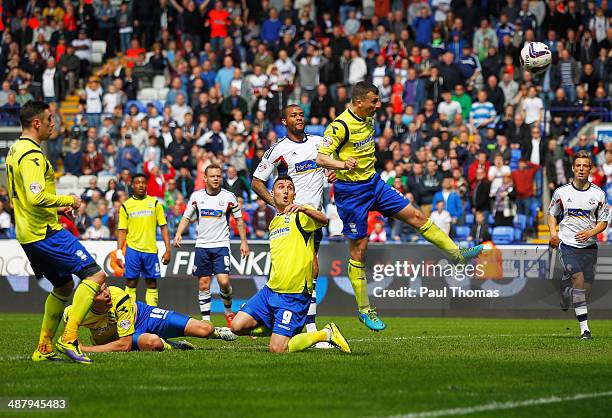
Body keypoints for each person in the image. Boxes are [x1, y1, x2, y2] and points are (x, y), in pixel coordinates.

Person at [316, 82, 482, 331]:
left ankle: (456, 255)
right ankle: (364, 310)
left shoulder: (368, 119)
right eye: (374, 101)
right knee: (359, 250)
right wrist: (339, 166)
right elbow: (321, 157)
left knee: (415, 215)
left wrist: (343, 164)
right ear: (359, 102)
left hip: (374, 183)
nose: (378, 105)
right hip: (351, 194)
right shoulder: (340, 126)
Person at [8, 102, 106, 364]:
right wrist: (70, 200)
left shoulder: (14, 150)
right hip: (44, 233)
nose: (54, 123)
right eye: (50, 119)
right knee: (95, 275)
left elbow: (19, 198)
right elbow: (36, 195)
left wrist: (58, 210)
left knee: (63, 287)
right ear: (37, 123)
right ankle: (70, 338)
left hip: (29, 231)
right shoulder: (32, 155)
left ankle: (43, 349)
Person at [231, 176, 351, 354]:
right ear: (272, 193)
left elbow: (323, 220)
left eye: (290, 187)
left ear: (294, 194)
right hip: (270, 290)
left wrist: (304, 208)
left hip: (293, 295)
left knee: (277, 349)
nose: (286, 190)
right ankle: (280, 329)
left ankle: (326, 333)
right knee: (237, 326)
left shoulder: (301, 215)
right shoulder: (274, 222)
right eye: (281, 187)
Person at [251, 104, 331, 346]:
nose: (299, 118)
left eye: (301, 114)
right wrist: (277, 204)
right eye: (293, 115)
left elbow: (330, 167)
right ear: (284, 121)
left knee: (312, 269)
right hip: (292, 218)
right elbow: (257, 181)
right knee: (305, 269)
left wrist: (334, 173)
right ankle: (311, 329)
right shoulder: (278, 150)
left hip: (312, 216)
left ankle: (304, 327)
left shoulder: (319, 142)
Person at [173, 165, 250, 327]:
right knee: (203, 283)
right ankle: (206, 321)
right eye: (213, 176)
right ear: (205, 179)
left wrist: (244, 242)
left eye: (218, 176)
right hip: (202, 246)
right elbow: (187, 217)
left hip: (221, 245)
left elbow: (239, 220)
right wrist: (179, 233)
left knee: (223, 282)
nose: (216, 179)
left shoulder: (229, 197)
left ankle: (228, 311)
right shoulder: (196, 196)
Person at [63, 284, 236, 353]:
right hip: (123, 336)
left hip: (144, 315)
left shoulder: (118, 296)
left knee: (205, 329)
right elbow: (124, 343)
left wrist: (85, 349)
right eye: (100, 293)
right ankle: (174, 345)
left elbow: (124, 347)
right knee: (155, 343)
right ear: (90, 299)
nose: (107, 293)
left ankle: (217, 333)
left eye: (105, 287)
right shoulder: (75, 312)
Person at [548, 151, 609, 340]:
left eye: (585, 166)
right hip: (567, 244)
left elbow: (603, 221)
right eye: (578, 166)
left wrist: (591, 233)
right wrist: (553, 233)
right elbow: (552, 213)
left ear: (590, 169)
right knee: (579, 278)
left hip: (589, 246)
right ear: (573, 168)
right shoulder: (562, 192)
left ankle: (567, 290)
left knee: (585, 290)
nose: (581, 169)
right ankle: (585, 330)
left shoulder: (598, 194)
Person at [116, 174, 172, 307]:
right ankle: (130, 315)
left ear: (146, 185)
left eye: (143, 183)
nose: (141, 185)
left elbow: (164, 227)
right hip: (132, 250)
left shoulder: (155, 203)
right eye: (137, 182)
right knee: (131, 283)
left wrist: (168, 249)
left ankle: (152, 314)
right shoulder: (126, 206)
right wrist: (119, 252)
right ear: (132, 185)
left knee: (152, 283)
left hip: (150, 250)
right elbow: (122, 231)